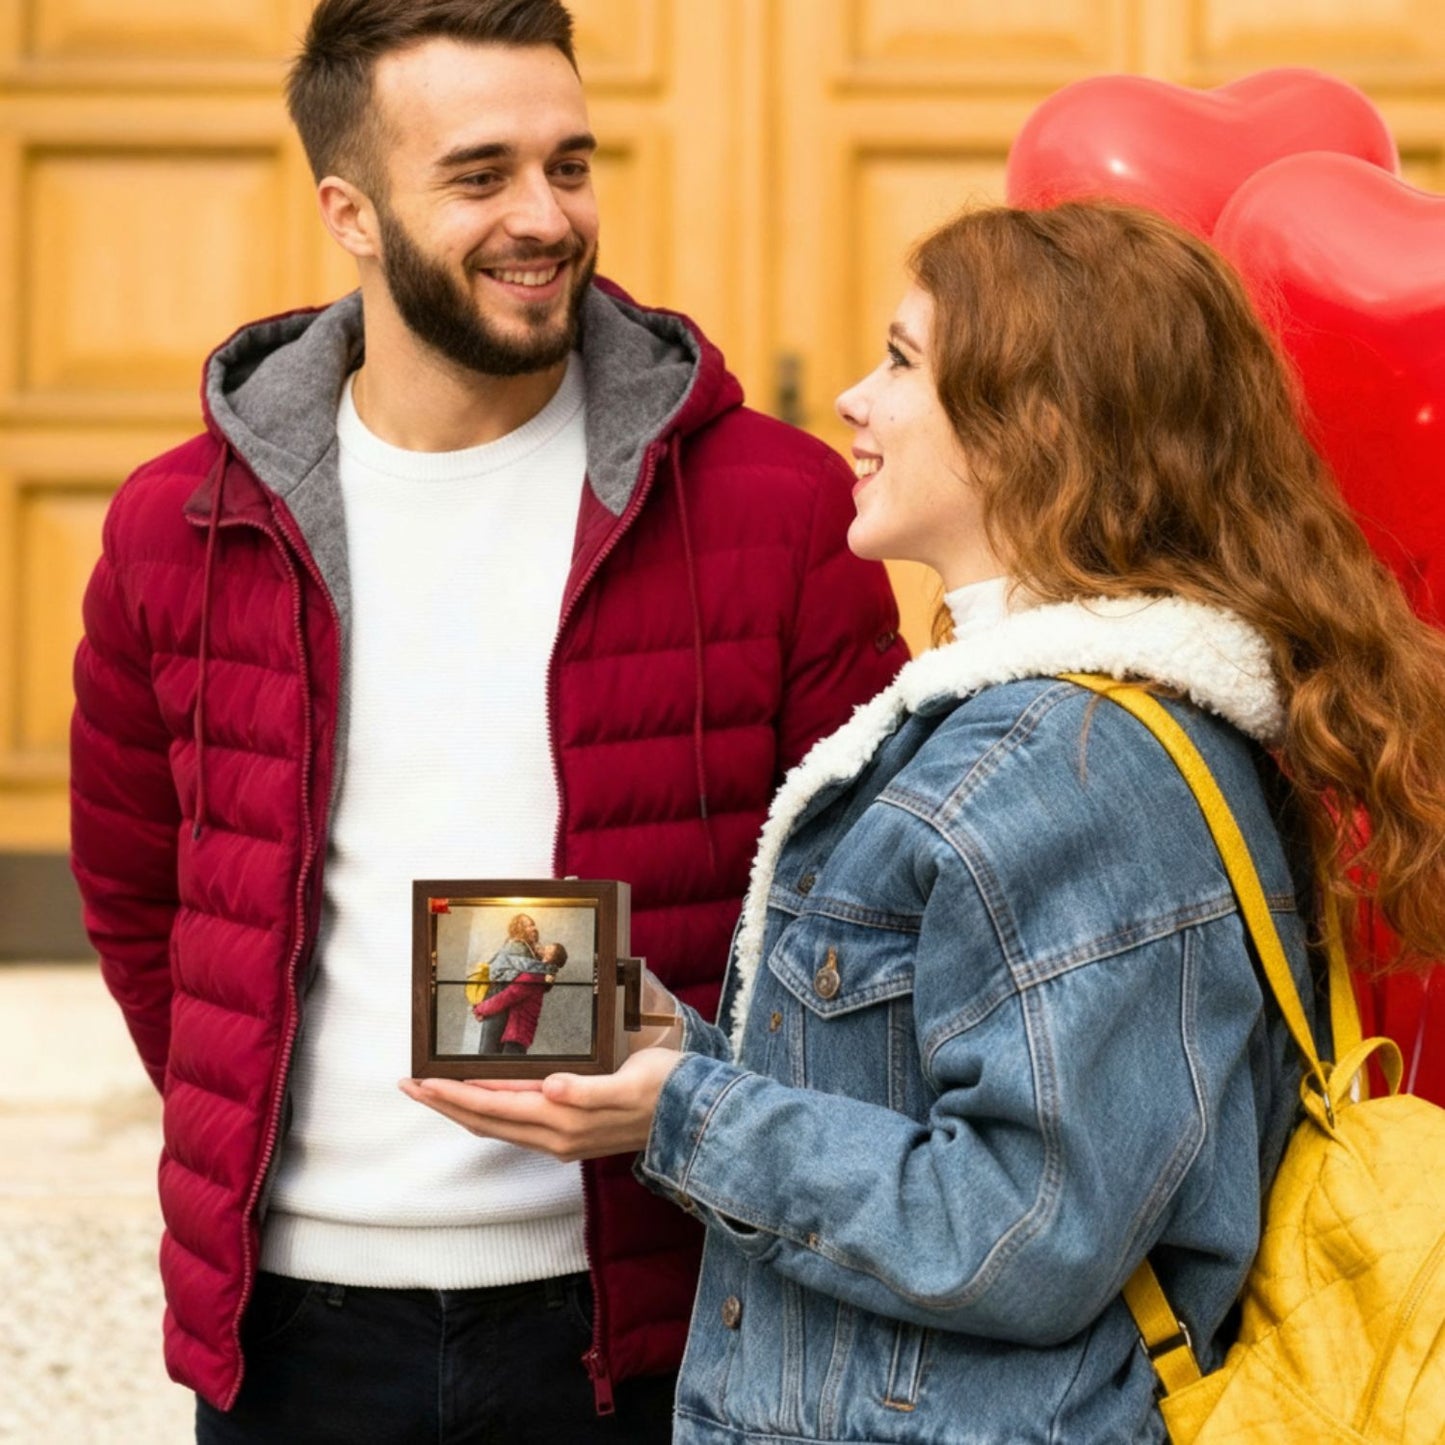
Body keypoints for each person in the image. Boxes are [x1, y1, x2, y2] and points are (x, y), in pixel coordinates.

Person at [402, 200, 1445, 1442]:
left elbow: (1019, 1226)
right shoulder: (1023, 727)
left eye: (901, 362)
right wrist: (657, 1042)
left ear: (1031, 430)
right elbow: (907, 1092)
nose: (850, 398)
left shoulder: (1065, 764)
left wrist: (677, 1113)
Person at [67, 0, 905, 1439]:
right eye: (480, 175)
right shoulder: (181, 525)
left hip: (656, 1315)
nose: (545, 216)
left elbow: (877, 906)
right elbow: (141, 899)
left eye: (568, 164)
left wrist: (700, 1104)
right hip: (292, 1333)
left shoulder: (776, 508)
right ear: (351, 210)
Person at [469, 912, 542, 1053]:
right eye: (529, 925)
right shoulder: (518, 946)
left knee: (491, 1045)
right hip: (501, 996)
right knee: (493, 1046)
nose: (533, 928)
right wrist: (547, 969)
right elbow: (525, 975)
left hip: (498, 996)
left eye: (533, 925)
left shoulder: (511, 944)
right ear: (518, 928)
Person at [476, 942, 568, 1055]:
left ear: (549, 957)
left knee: (509, 1070)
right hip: (520, 1033)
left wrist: (480, 1009)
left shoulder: (533, 977)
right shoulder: (541, 975)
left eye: (549, 947)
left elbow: (506, 997)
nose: (544, 946)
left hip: (517, 1033)